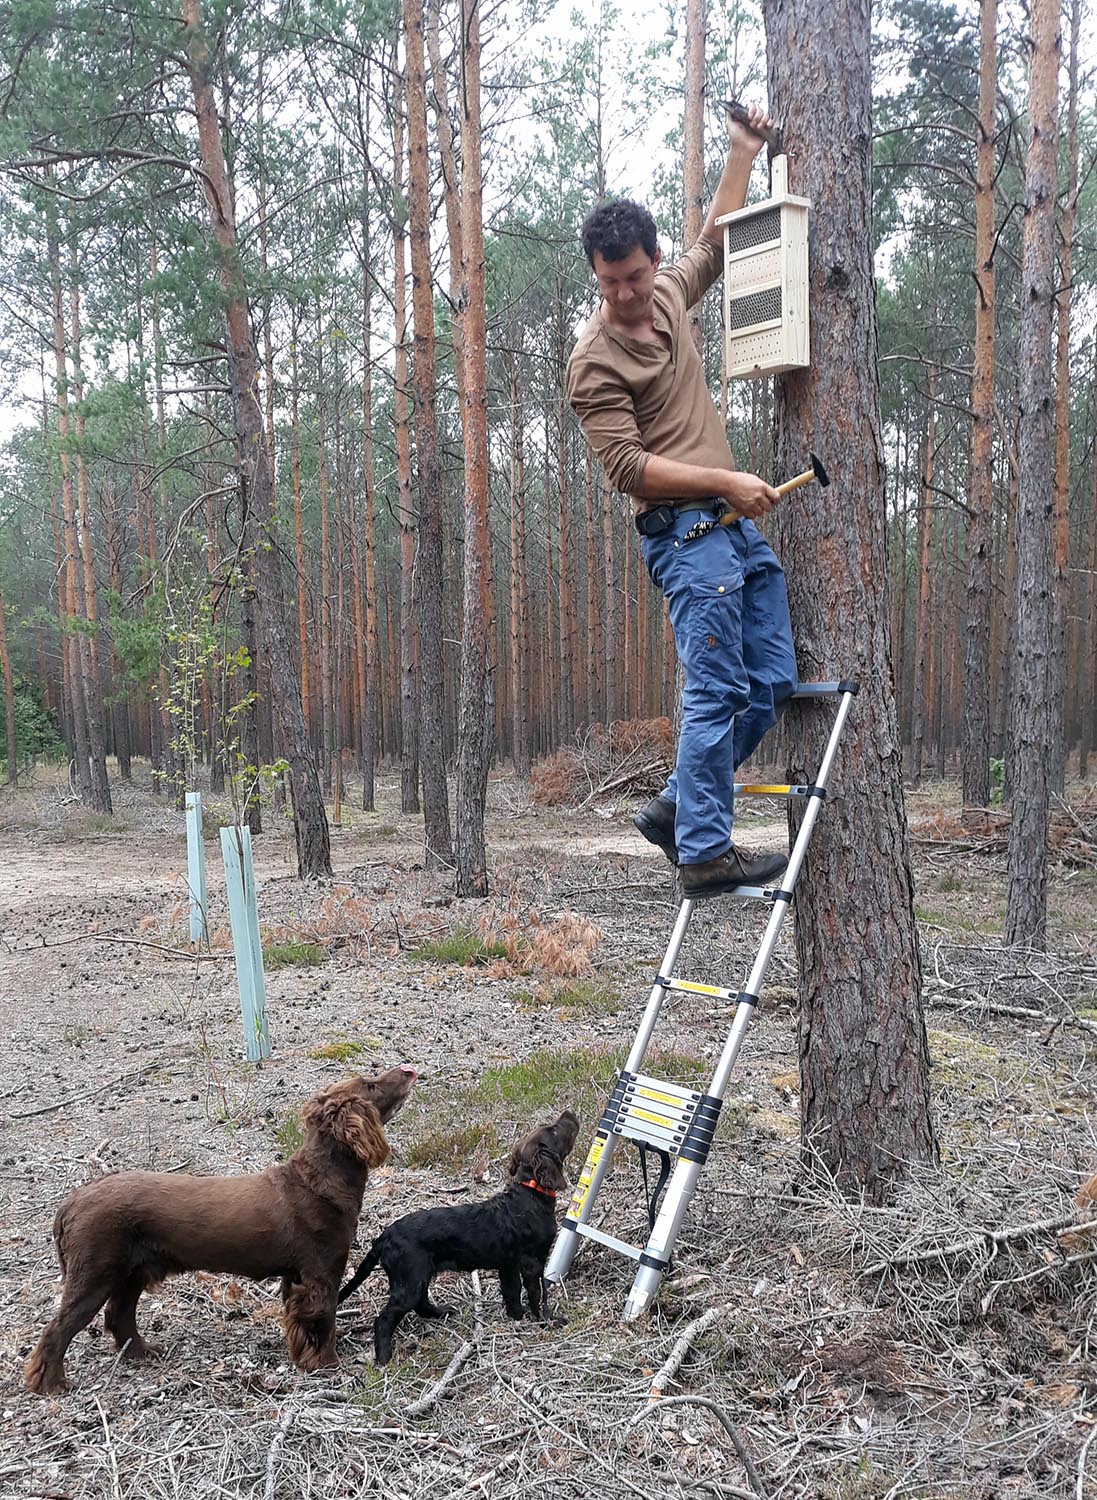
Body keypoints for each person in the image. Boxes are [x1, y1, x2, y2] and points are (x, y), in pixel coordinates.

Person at [567, 105, 797, 900]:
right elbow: (627, 468)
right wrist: (725, 481)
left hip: (734, 535)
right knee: (715, 691)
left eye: (633, 275)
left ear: (649, 259)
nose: (627, 294)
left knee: (768, 682)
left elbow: (714, 242)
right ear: (594, 275)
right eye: (609, 283)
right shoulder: (591, 362)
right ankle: (702, 853)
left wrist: (741, 150)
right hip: (687, 537)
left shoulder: (667, 293)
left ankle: (677, 809)